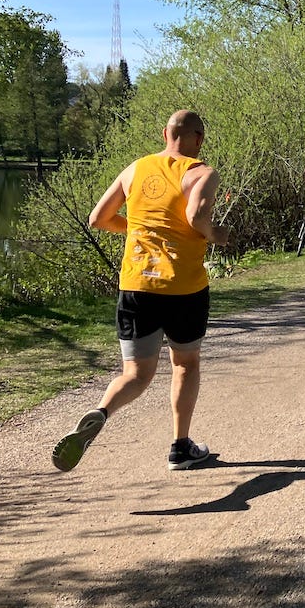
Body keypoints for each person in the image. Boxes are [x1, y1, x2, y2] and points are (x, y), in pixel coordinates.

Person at [52, 109, 230, 473]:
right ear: (200, 139)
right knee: (185, 363)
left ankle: (101, 411)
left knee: (136, 374)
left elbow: (98, 219)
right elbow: (196, 217)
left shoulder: (135, 168)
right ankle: (181, 448)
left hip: (136, 286)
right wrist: (219, 235)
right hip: (184, 288)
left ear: (165, 133)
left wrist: (140, 230)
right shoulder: (202, 173)